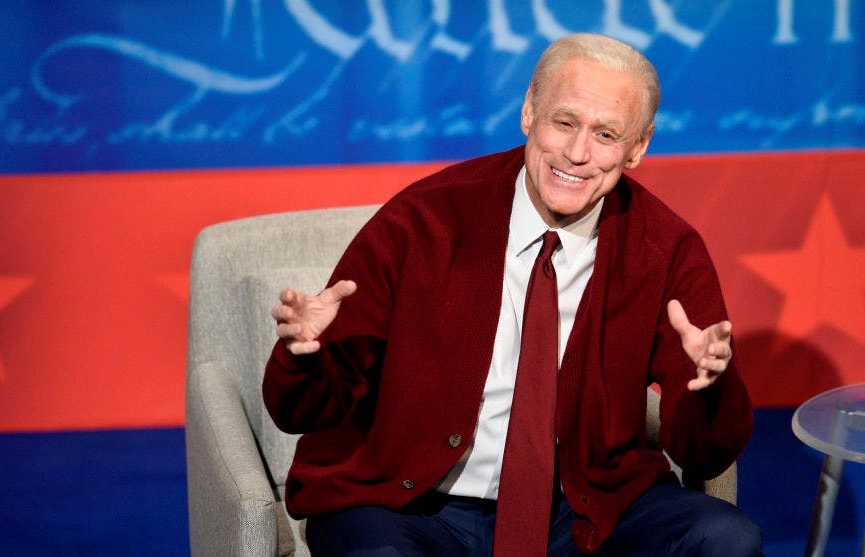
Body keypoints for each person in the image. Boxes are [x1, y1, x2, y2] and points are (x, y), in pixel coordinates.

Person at [263, 33, 762, 556]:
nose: (577, 153)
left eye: (606, 134)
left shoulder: (666, 249)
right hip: (409, 505)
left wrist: (712, 390)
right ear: (529, 112)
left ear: (638, 147)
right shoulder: (423, 220)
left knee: (726, 538)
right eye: (564, 122)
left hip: (581, 509)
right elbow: (301, 412)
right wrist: (305, 358)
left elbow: (704, 456)